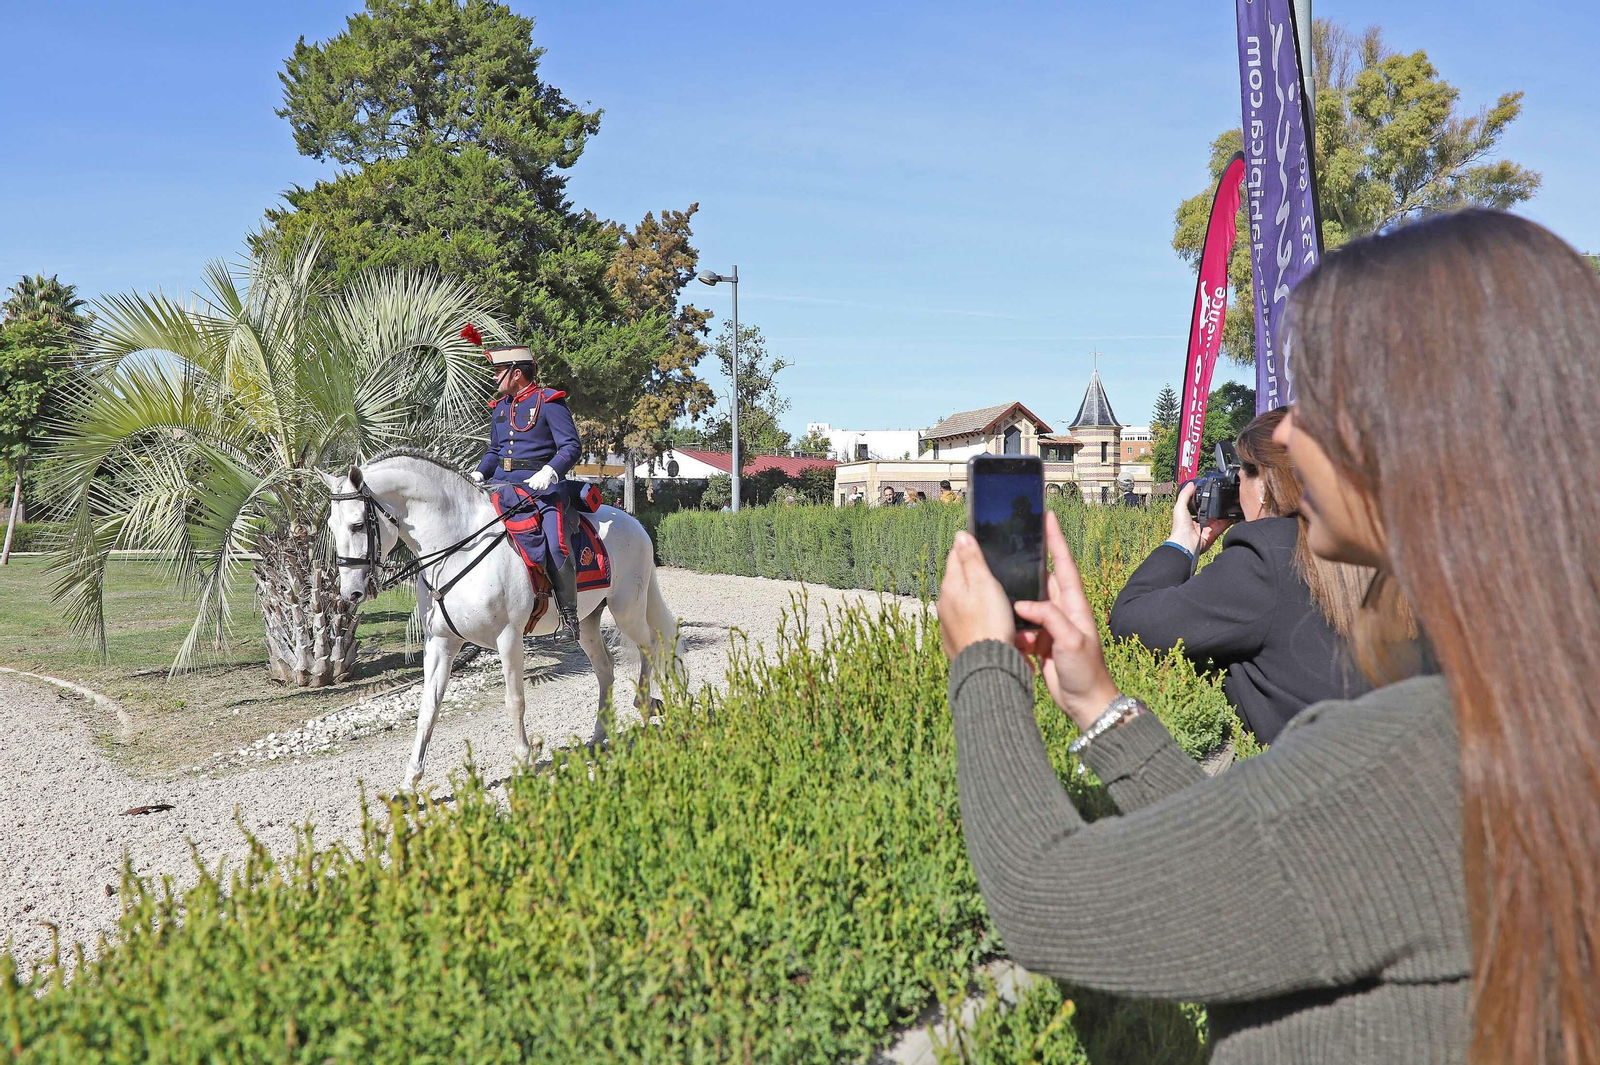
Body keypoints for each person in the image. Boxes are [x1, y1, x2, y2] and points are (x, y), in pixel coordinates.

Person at [936, 210, 1600, 1062]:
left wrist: (984, 664)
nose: (1283, 433)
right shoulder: (1538, 708)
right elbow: (1274, 867)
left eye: (1317, 403)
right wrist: (1101, 709)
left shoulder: (1420, 752)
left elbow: (1045, 897)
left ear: (1424, 436)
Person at [1107, 409, 1375, 741]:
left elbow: (1132, 621)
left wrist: (1181, 544)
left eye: (1241, 475)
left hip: (1307, 780)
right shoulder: (1382, 545)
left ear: (1264, 484)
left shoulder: (1268, 556)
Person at [464, 328, 583, 638]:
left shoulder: (549, 401)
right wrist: (480, 473)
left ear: (516, 374)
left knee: (556, 544)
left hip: (541, 489)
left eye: (498, 372)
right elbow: (494, 451)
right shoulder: (501, 408)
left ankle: (570, 618)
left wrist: (551, 471)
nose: (494, 378)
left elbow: (571, 447)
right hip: (501, 487)